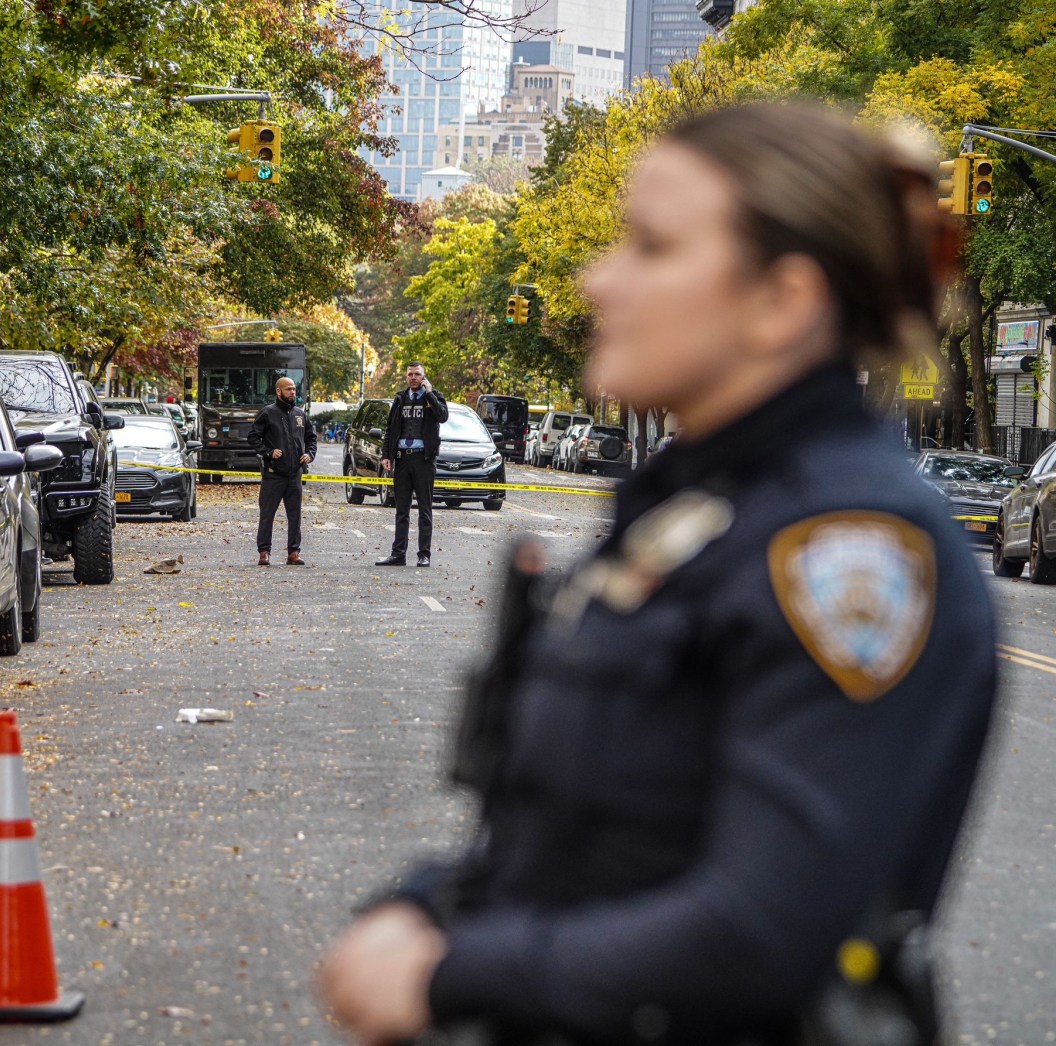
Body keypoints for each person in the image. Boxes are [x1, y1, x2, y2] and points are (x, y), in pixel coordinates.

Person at [318, 102, 998, 1044]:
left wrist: (450, 973)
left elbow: (756, 934)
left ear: (783, 302)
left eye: (651, 246)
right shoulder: (694, 509)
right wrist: (426, 903)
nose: (600, 279)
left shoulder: (851, 548)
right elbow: (574, 841)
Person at [376, 362, 449, 568]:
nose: (414, 377)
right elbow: (390, 428)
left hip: (423, 460)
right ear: (406, 377)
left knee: (425, 509)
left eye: (418, 374)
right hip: (402, 458)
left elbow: (442, 416)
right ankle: (398, 554)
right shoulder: (400, 399)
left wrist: (429, 394)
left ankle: (423, 554)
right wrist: (386, 455)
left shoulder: (433, 396)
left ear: (424, 377)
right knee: (401, 510)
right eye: (410, 374)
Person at [248, 377, 316, 566]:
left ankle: (293, 552)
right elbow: (253, 437)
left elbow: (311, 438)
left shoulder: (300, 414)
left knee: (295, 515)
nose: (293, 392)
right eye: (288, 389)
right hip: (273, 475)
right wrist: (268, 452)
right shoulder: (268, 413)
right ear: (279, 392)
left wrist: (309, 454)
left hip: (295, 475)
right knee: (267, 515)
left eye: (294, 389)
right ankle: (264, 552)